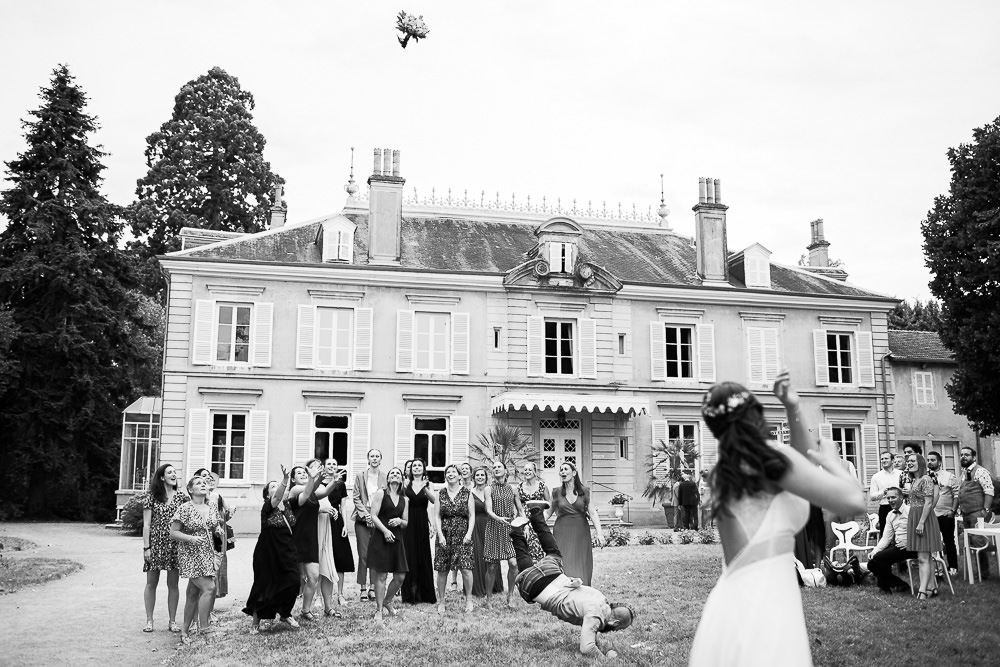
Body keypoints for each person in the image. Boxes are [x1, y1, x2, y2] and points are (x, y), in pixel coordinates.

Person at [688, 371, 866, 666]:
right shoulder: (769, 458)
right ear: (757, 414)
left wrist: (792, 409)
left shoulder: (726, 468)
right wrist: (834, 463)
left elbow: (799, 461)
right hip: (766, 598)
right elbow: (854, 500)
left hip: (732, 597)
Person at [509, 512, 634, 659]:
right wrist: (604, 658)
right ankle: (516, 532)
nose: (615, 631)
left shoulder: (601, 599)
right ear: (614, 621)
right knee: (526, 570)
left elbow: (590, 626)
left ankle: (536, 514)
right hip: (539, 587)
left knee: (554, 553)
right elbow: (586, 648)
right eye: (618, 629)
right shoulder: (595, 616)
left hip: (553, 575)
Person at [242, 465, 302, 633]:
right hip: (267, 552)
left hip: (286, 550)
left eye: (278, 485)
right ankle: (256, 622)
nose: (277, 488)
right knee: (264, 586)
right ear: (268, 494)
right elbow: (277, 497)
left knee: (293, 582)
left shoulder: (287, 506)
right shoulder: (267, 508)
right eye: (273, 486)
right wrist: (284, 479)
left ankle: (285, 613)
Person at [169, 475, 222, 644]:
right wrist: (191, 538)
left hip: (207, 553)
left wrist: (218, 529)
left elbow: (214, 526)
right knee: (209, 588)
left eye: (204, 483)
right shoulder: (184, 508)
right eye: (198, 483)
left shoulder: (211, 506)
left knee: (193, 593)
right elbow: (173, 532)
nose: (203, 485)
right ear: (190, 490)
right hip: (190, 555)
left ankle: (184, 632)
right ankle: (205, 629)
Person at [141, 463, 188, 633]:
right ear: (162, 477)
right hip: (155, 544)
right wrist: (147, 547)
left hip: (175, 545)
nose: (174, 474)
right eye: (170, 472)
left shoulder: (182, 498)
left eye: (175, 472)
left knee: (173, 584)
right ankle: (149, 621)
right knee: (151, 583)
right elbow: (146, 525)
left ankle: (172, 621)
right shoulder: (151, 497)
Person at [547, 461, 601, 586]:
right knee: (563, 560)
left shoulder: (585, 491)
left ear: (574, 473)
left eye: (566, 469)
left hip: (581, 532)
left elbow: (592, 513)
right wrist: (535, 522)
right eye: (561, 470)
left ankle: (582, 590)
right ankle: (561, 591)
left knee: (581, 561)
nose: (563, 472)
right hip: (561, 531)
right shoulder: (556, 492)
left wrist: (600, 533)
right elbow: (547, 512)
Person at [366, 467, 409, 621]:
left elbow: (405, 523)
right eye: (392, 474)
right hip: (380, 537)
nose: (395, 475)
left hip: (397, 539)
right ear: (388, 479)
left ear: (402, 479)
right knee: (382, 575)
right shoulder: (380, 494)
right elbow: (373, 516)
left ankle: (387, 601)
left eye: (398, 474)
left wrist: (400, 521)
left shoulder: (405, 500)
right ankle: (378, 610)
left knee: (400, 576)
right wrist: (385, 531)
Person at [287, 460, 328, 621]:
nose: (303, 474)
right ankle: (286, 612)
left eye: (305, 472)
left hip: (310, 538)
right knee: (293, 579)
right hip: (294, 538)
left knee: (313, 577)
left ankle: (305, 610)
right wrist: (315, 478)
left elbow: (319, 491)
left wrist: (330, 480)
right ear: (292, 479)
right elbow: (309, 490)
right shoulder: (295, 489)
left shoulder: (310, 490)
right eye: (299, 473)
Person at [484, 460, 525, 608]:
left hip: (510, 529)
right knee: (492, 567)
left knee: (514, 564)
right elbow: (488, 510)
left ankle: (510, 597)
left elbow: (520, 509)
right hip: (494, 527)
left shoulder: (513, 489)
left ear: (505, 471)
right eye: (494, 467)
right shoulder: (489, 489)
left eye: (499, 467)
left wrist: (523, 523)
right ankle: (489, 599)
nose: (496, 469)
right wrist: (498, 518)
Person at [434, 464, 475, 613]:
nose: (450, 474)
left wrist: (469, 534)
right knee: (442, 568)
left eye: (453, 472)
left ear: (459, 476)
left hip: (463, 533)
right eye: (448, 472)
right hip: (444, 533)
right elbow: (437, 516)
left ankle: (469, 600)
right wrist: (440, 534)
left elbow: (472, 516)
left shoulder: (467, 493)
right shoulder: (440, 493)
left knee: (465, 567)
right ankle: (442, 601)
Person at [194, 469, 233, 624]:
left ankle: (208, 613)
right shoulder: (195, 499)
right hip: (200, 541)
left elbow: (224, 518)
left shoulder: (217, 497)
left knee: (214, 577)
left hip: (216, 540)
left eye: (208, 477)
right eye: (203, 477)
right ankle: (195, 618)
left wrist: (228, 514)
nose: (207, 479)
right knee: (199, 581)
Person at [905, 453, 943, 599]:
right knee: (925, 556)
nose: (909, 463)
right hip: (916, 515)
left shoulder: (926, 479)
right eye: (908, 461)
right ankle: (931, 587)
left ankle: (922, 590)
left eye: (912, 461)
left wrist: (921, 522)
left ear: (920, 463)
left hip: (923, 518)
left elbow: (929, 502)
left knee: (923, 557)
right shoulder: (915, 480)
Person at [318, 457, 353, 616]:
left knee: (340, 557)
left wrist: (345, 524)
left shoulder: (340, 484)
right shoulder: (318, 484)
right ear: (324, 467)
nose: (331, 466)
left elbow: (343, 506)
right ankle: (319, 596)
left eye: (334, 464)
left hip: (337, 521)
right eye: (329, 464)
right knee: (321, 557)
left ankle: (340, 594)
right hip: (322, 520)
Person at [352, 448, 387, 601]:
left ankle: (373, 587)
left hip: (378, 518)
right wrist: (366, 515)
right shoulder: (360, 476)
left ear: (380, 459)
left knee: (376, 553)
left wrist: (375, 517)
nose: (374, 458)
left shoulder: (385, 477)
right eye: (372, 456)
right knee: (364, 554)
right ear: (368, 458)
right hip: (362, 519)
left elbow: (386, 498)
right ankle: (363, 588)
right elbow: (356, 497)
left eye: (377, 456)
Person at [866, 487, 915, 593]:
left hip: (913, 547)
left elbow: (922, 531)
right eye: (888, 498)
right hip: (899, 547)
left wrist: (910, 543)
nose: (890, 500)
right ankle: (899, 584)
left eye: (893, 497)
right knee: (872, 563)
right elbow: (886, 538)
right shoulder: (890, 515)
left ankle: (884, 588)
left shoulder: (911, 511)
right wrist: (874, 551)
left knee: (880, 558)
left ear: (901, 497)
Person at [401, 458, 436, 604]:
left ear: (423, 468)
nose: (416, 468)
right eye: (414, 466)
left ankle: (425, 594)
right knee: (409, 556)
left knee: (422, 555)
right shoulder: (405, 483)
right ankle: (410, 594)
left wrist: (431, 524)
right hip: (408, 522)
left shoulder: (429, 484)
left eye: (419, 466)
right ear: (410, 469)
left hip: (422, 521)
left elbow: (433, 502)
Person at [958, 446, 995, 579]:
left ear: (973, 457)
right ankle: (978, 570)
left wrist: (985, 509)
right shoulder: (964, 473)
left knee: (979, 541)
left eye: (967, 455)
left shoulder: (980, 471)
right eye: (961, 454)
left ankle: (984, 573)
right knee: (972, 543)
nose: (963, 457)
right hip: (966, 513)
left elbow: (989, 490)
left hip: (977, 512)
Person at [470, 466, 503, 597]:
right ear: (473, 478)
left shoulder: (492, 491)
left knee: (492, 556)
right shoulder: (469, 492)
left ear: (486, 477)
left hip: (491, 525)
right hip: (476, 526)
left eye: (482, 475)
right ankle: (479, 587)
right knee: (478, 554)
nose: (480, 477)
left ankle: (494, 586)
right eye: (477, 475)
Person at [927, 450, 960, 575]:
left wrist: (953, 511)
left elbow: (957, 495)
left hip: (946, 514)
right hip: (930, 515)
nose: (930, 462)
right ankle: (937, 567)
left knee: (949, 541)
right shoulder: (925, 477)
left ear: (939, 462)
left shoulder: (949, 476)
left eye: (933, 460)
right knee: (933, 542)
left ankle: (953, 567)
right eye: (928, 460)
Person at [447, 461, 475, 593]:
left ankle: (468, 585)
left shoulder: (472, 488)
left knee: (466, 558)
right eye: (462, 469)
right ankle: (453, 580)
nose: (464, 471)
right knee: (453, 555)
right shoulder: (452, 487)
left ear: (470, 472)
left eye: (466, 469)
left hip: (467, 524)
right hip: (452, 527)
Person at [517, 461, 551, 562]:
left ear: (535, 472)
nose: (527, 472)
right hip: (524, 520)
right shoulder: (519, 487)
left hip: (538, 520)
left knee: (539, 550)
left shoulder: (542, 486)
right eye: (525, 470)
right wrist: (524, 523)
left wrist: (543, 518)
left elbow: (548, 505)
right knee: (525, 552)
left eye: (530, 470)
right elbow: (519, 507)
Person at [868, 451, 897, 536]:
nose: (883, 460)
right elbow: (872, 496)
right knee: (885, 534)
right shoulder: (876, 477)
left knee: (901, 533)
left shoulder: (901, 474)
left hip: (900, 507)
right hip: (885, 508)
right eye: (882, 459)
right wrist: (883, 492)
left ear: (892, 460)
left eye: (886, 458)